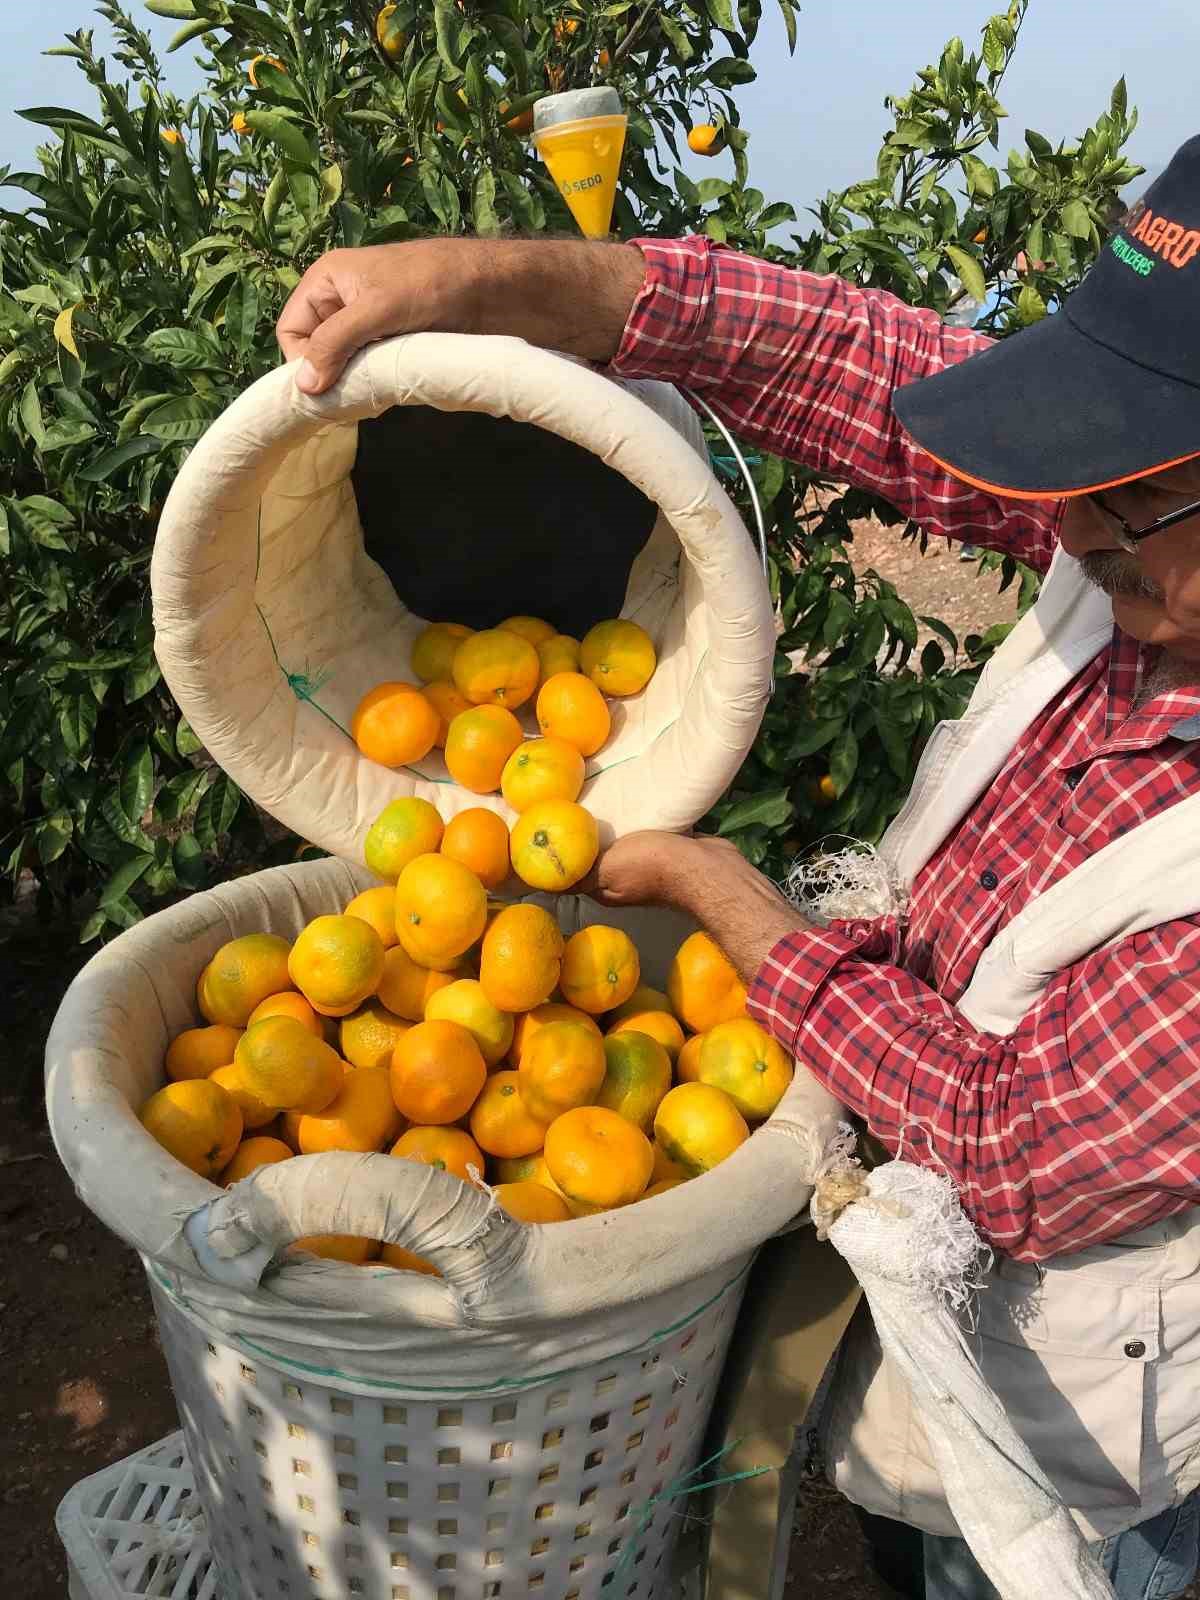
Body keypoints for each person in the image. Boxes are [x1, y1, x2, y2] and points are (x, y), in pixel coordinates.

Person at [276, 135, 1200, 1600]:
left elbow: (1012, 1143)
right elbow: (864, 371)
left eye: (1129, 495)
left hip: (1091, 1442)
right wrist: (497, 279)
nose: (1068, 528)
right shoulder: (1143, 543)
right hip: (920, 1297)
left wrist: (737, 908)